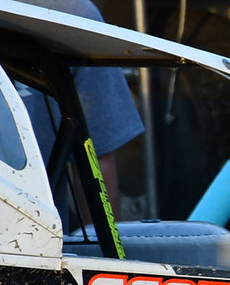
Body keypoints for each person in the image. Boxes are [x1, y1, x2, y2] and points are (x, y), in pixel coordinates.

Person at [20, 0, 144, 220]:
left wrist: (104, 242)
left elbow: (95, 160)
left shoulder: (70, 13)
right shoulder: (70, 12)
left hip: (32, 237)